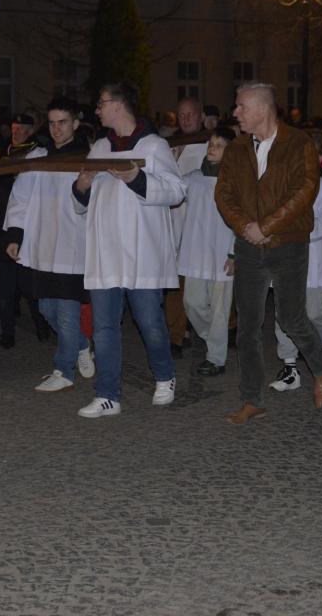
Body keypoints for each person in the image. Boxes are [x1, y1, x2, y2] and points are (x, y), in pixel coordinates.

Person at [215, 82, 322, 424]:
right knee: (247, 326)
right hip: (248, 247)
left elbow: (305, 191)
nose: (235, 113)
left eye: (241, 106)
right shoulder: (237, 148)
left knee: (292, 318)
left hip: (288, 244)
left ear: (263, 108)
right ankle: (252, 399)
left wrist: (266, 226)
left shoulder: (298, 143)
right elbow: (223, 194)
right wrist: (245, 227)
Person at [72, 82, 185, 418]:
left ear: (119, 105)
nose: (97, 110)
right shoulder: (100, 147)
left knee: (150, 322)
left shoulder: (154, 146)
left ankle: (164, 375)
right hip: (106, 251)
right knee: (104, 327)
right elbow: (83, 202)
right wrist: (81, 187)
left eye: (101, 103)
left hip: (142, 251)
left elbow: (176, 191)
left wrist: (137, 178)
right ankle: (108, 395)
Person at [4, 98, 95, 392]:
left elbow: (96, 200)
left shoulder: (88, 157)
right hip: (42, 244)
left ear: (75, 124)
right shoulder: (38, 157)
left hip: (73, 245)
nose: (56, 129)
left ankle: (64, 370)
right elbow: (20, 197)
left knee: (67, 313)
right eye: (52, 123)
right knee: (47, 309)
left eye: (62, 122)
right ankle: (82, 344)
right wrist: (15, 235)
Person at [268, 135, 322, 393]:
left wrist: (303, 230)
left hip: (312, 261)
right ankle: (290, 367)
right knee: (283, 314)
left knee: (313, 313)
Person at [0, 112, 47, 350]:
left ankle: (41, 325)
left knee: (30, 285)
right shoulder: (4, 151)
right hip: (2, 223)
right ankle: (7, 333)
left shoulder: (36, 153)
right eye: (14, 128)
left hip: (24, 225)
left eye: (21, 129)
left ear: (30, 131)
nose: (16, 132)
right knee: (6, 288)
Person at [178, 127, 236, 376]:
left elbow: (242, 220)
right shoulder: (193, 178)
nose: (212, 148)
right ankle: (215, 339)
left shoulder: (236, 182)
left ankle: (216, 359)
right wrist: (171, 163)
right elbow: (169, 190)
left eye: (219, 145)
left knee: (220, 310)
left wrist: (234, 253)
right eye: (211, 143)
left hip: (223, 254)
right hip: (195, 253)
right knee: (192, 304)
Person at [167, 95, 209, 355]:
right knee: (175, 284)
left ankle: (220, 329)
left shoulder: (211, 145)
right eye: (181, 115)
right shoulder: (170, 146)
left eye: (190, 114)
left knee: (207, 285)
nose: (185, 119)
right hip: (176, 224)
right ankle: (175, 336)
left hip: (203, 226)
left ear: (201, 116)